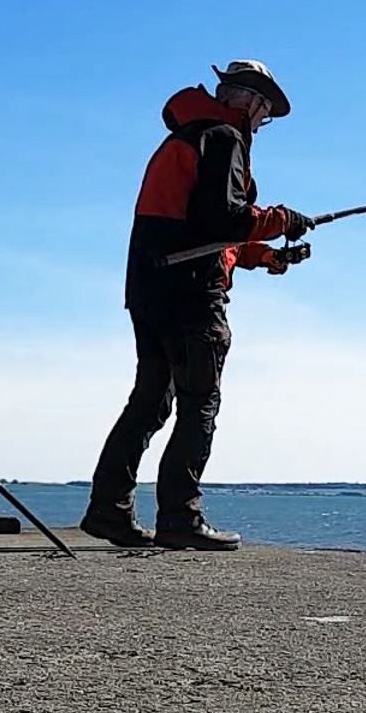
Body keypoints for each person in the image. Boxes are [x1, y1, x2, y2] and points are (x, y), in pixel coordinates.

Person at [80, 59, 313, 551]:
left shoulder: (186, 137)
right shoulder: (223, 138)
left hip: (149, 290)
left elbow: (200, 230)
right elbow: (222, 219)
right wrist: (281, 218)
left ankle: (108, 510)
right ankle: (181, 517)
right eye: (264, 113)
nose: (261, 123)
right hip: (191, 297)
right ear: (251, 101)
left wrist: (267, 256)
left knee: (148, 403)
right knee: (199, 402)